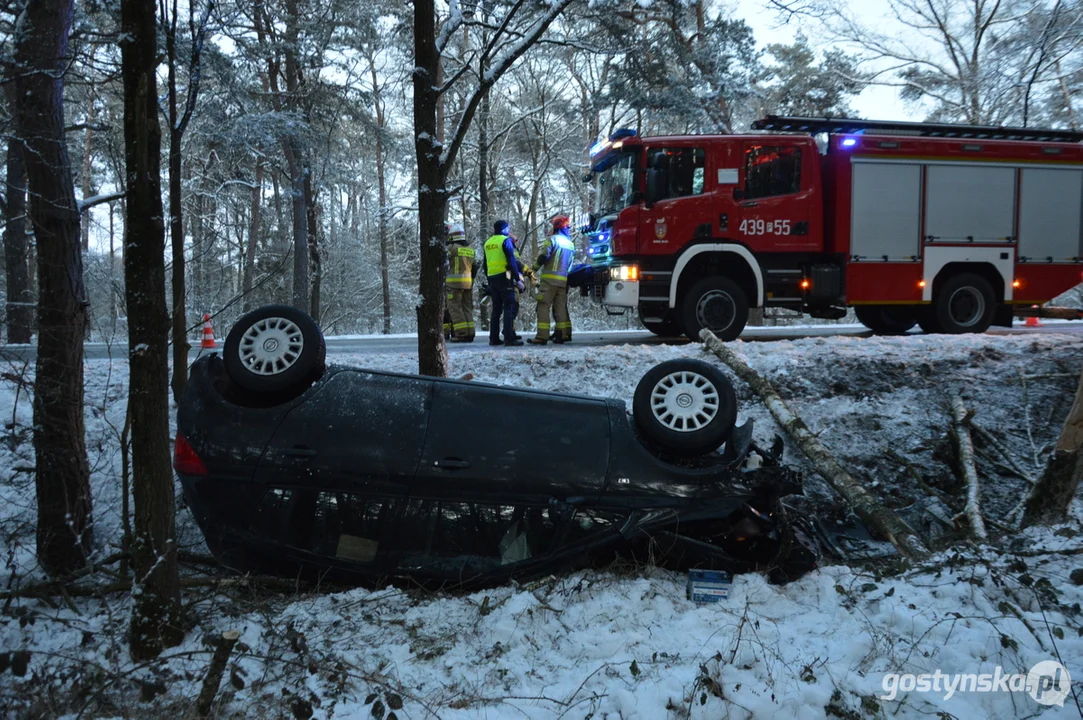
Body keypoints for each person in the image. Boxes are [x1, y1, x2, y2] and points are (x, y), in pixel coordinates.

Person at [529, 214, 576, 344]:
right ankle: (562, 335)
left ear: (556, 226)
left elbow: (543, 256)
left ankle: (542, 336)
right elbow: (570, 265)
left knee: (543, 306)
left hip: (549, 281)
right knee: (560, 307)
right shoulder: (570, 244)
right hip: (563, 281)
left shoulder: (552, 240)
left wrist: (533, 269)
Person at [484, 219, 525, 346]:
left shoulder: (488, 242)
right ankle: (509, 338)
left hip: (492, 278)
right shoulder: (505, 240)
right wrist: (518, 280)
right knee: (509, 306)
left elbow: (485, 265)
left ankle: (493, 338)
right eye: (508, 228)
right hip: (504, 278)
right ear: (504, 229)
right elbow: (511, 260)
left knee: (496, 309)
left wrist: (489, 280)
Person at [444, 222, 475, 342]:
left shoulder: (451, 249)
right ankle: (470, 333)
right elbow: (475, 267)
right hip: (468, 284)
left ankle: (461, 334)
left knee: (455, 308)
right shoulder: (470, 250)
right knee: (467, 307)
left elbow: (442, 263)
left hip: (453, 284)